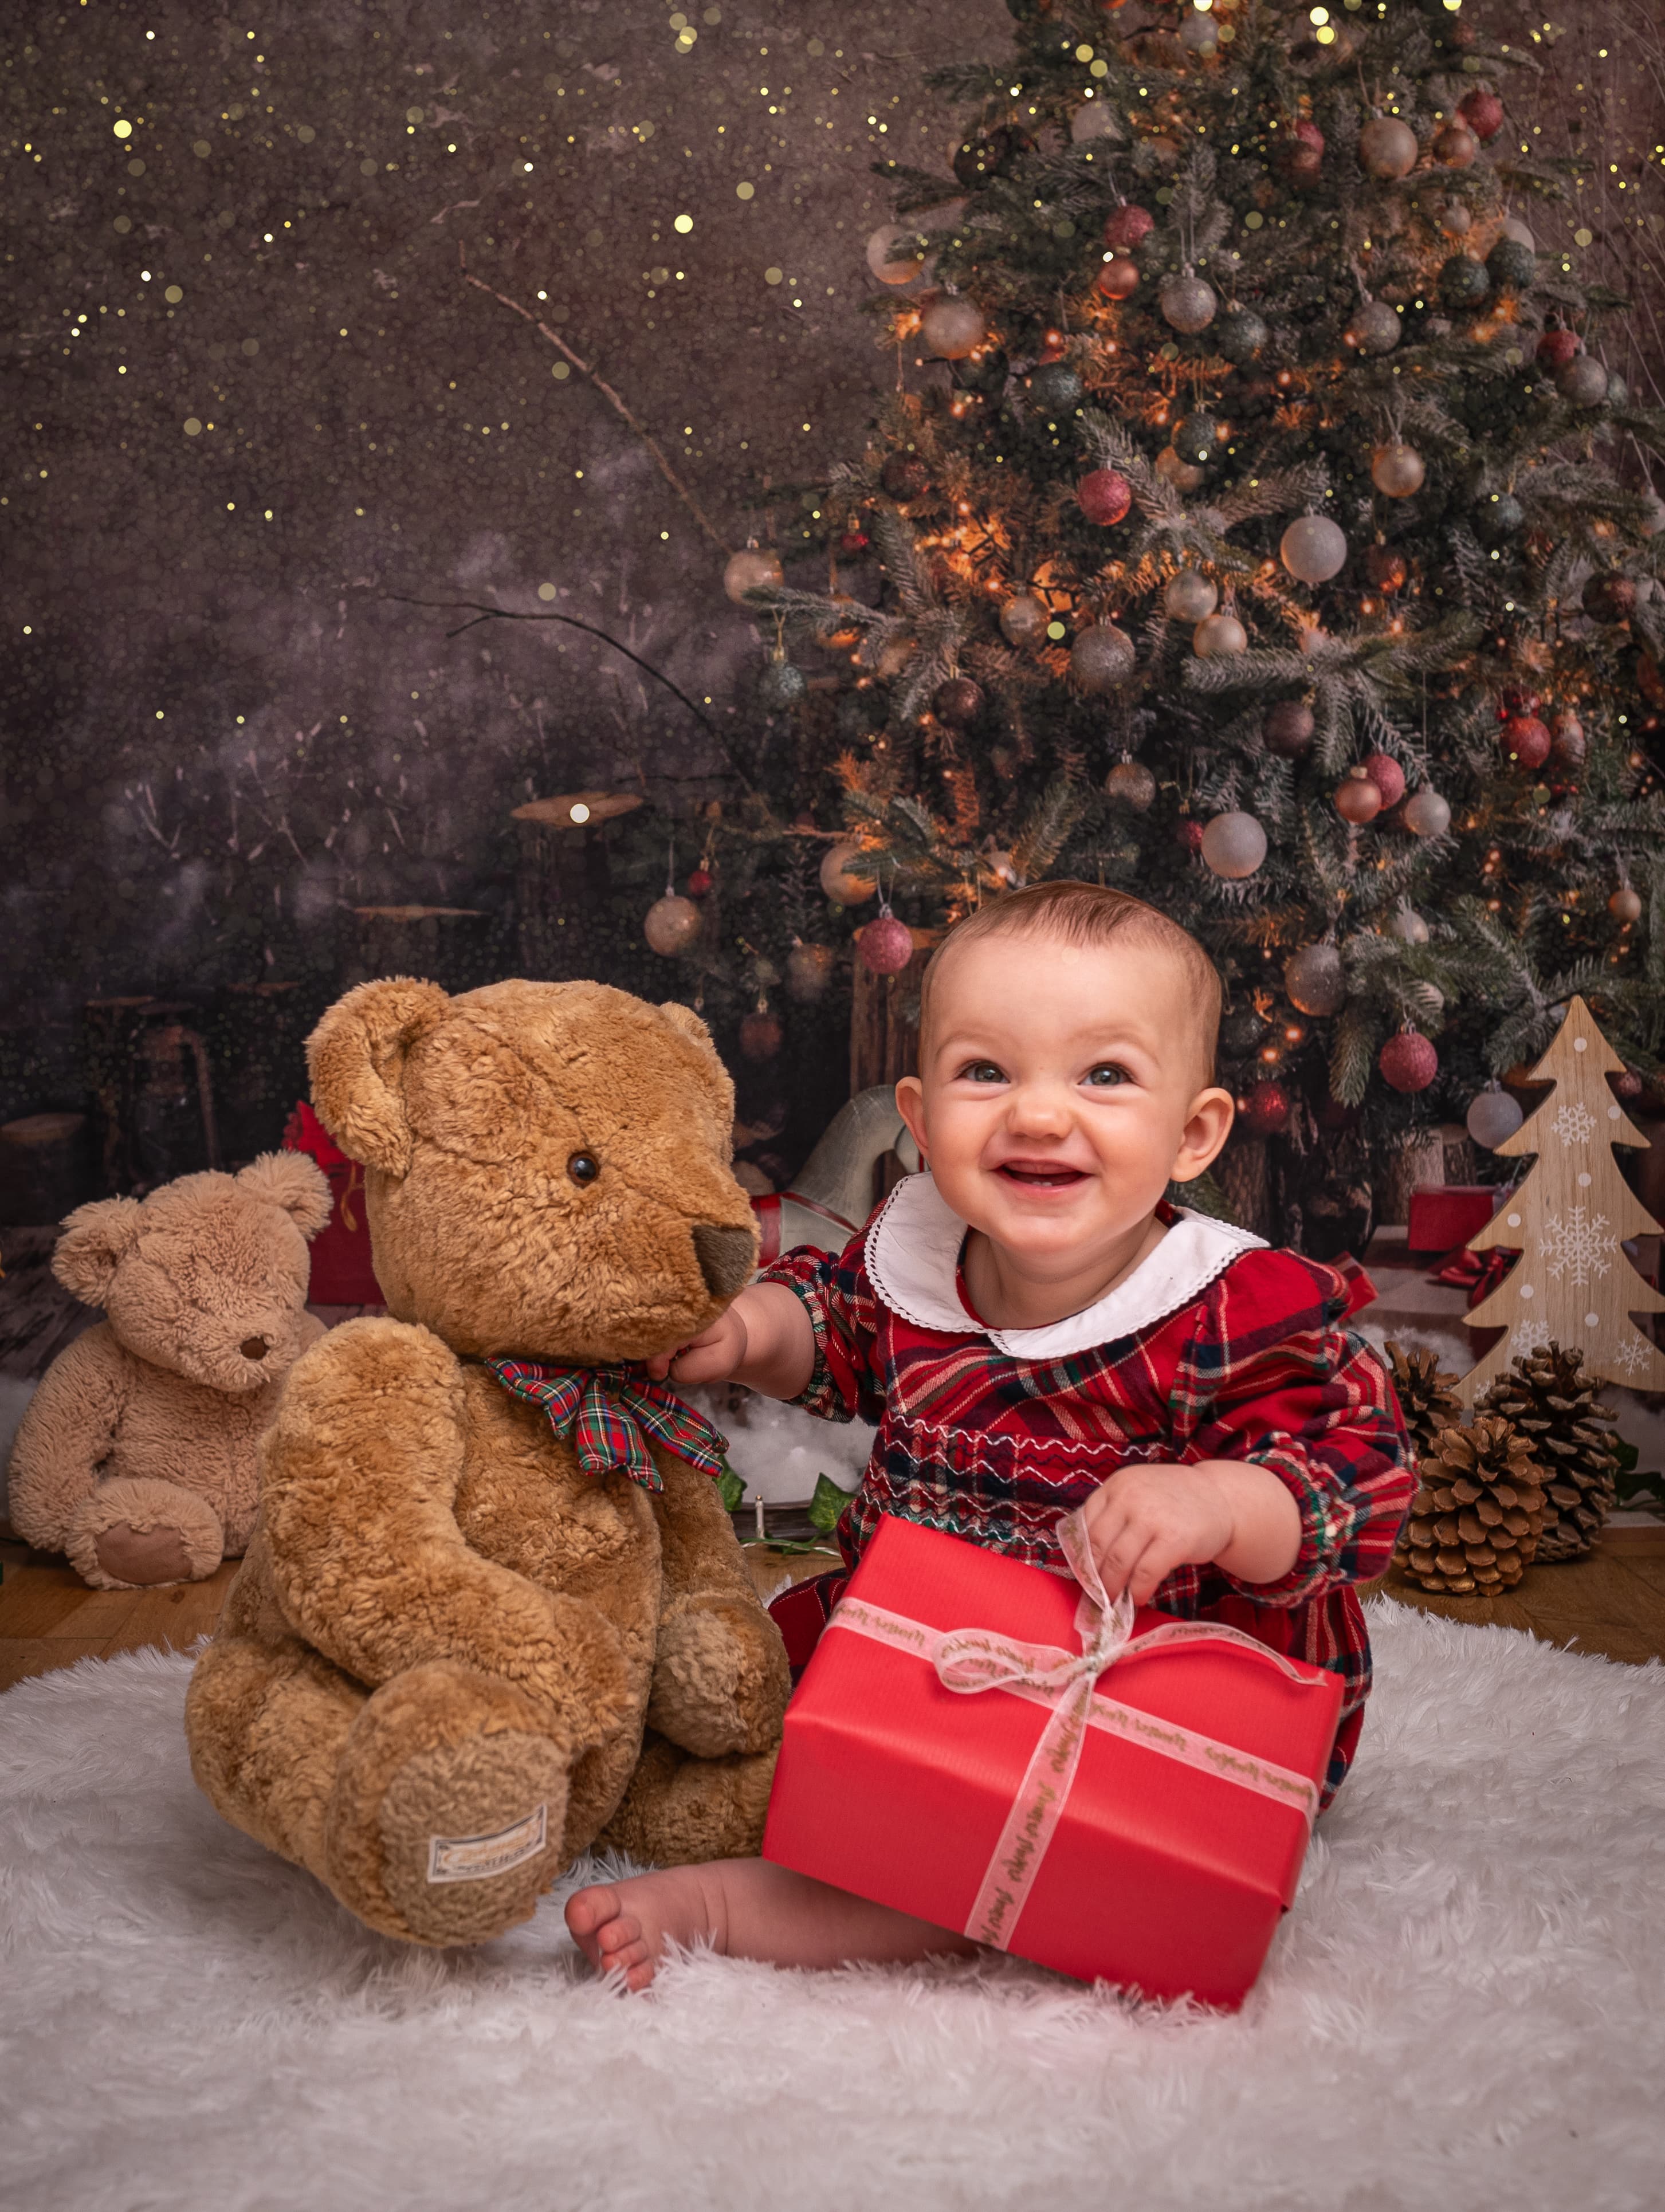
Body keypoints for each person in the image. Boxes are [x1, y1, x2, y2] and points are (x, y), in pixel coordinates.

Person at [567, 881, 1412, 1990]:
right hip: (936, 1649)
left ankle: (736, 1905)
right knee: (764, 1706)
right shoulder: (920, 1255)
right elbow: (830, 1327)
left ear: (1195, 1133)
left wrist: (1218, 1503)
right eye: (986, 1071)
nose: (1039, 1114)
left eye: (1104, 1074)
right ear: (919, 1122)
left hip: (1151, 1697)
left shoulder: (1224, 1308)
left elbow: (1359, 1470)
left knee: (1011, 1850)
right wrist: (742, 1332)